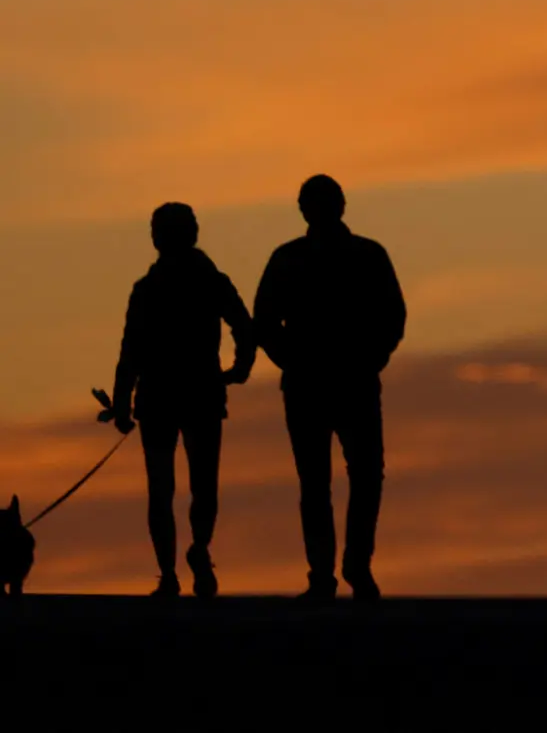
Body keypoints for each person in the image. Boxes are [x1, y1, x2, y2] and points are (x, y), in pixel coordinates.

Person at [253, 174, 406, 601]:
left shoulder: (366, 255)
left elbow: (392, 315)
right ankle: (324, 572)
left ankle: (354, 566)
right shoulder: (290, 259)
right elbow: (264, 320)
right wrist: (293, 361)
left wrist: (372, 358)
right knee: (318, 481)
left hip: (352, 381)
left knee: (362, 477)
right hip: (312, 384)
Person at [111, 202, 256, 598]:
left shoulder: (149, 288)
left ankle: (172, 572)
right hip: (199, 394)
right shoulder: (210, 281)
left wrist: (123, 402)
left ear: (158, 238)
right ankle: (196, 553)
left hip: (164, 396)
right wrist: (240, 368)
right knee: (201, 486)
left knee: (163, 488)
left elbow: (130, 351)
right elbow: (244, 327)